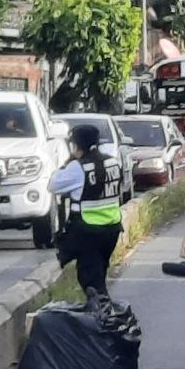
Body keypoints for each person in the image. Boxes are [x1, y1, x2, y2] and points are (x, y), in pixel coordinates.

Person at [50, 124, 123, 298]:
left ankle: (102, 316)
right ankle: (103, 313)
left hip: (87, 230)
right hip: (112, 229)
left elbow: (53, 185)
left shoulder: (78, 167)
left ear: (75, 145)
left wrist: (67, 163)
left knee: (89, 280)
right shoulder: (112, 162)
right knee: (99, 275)